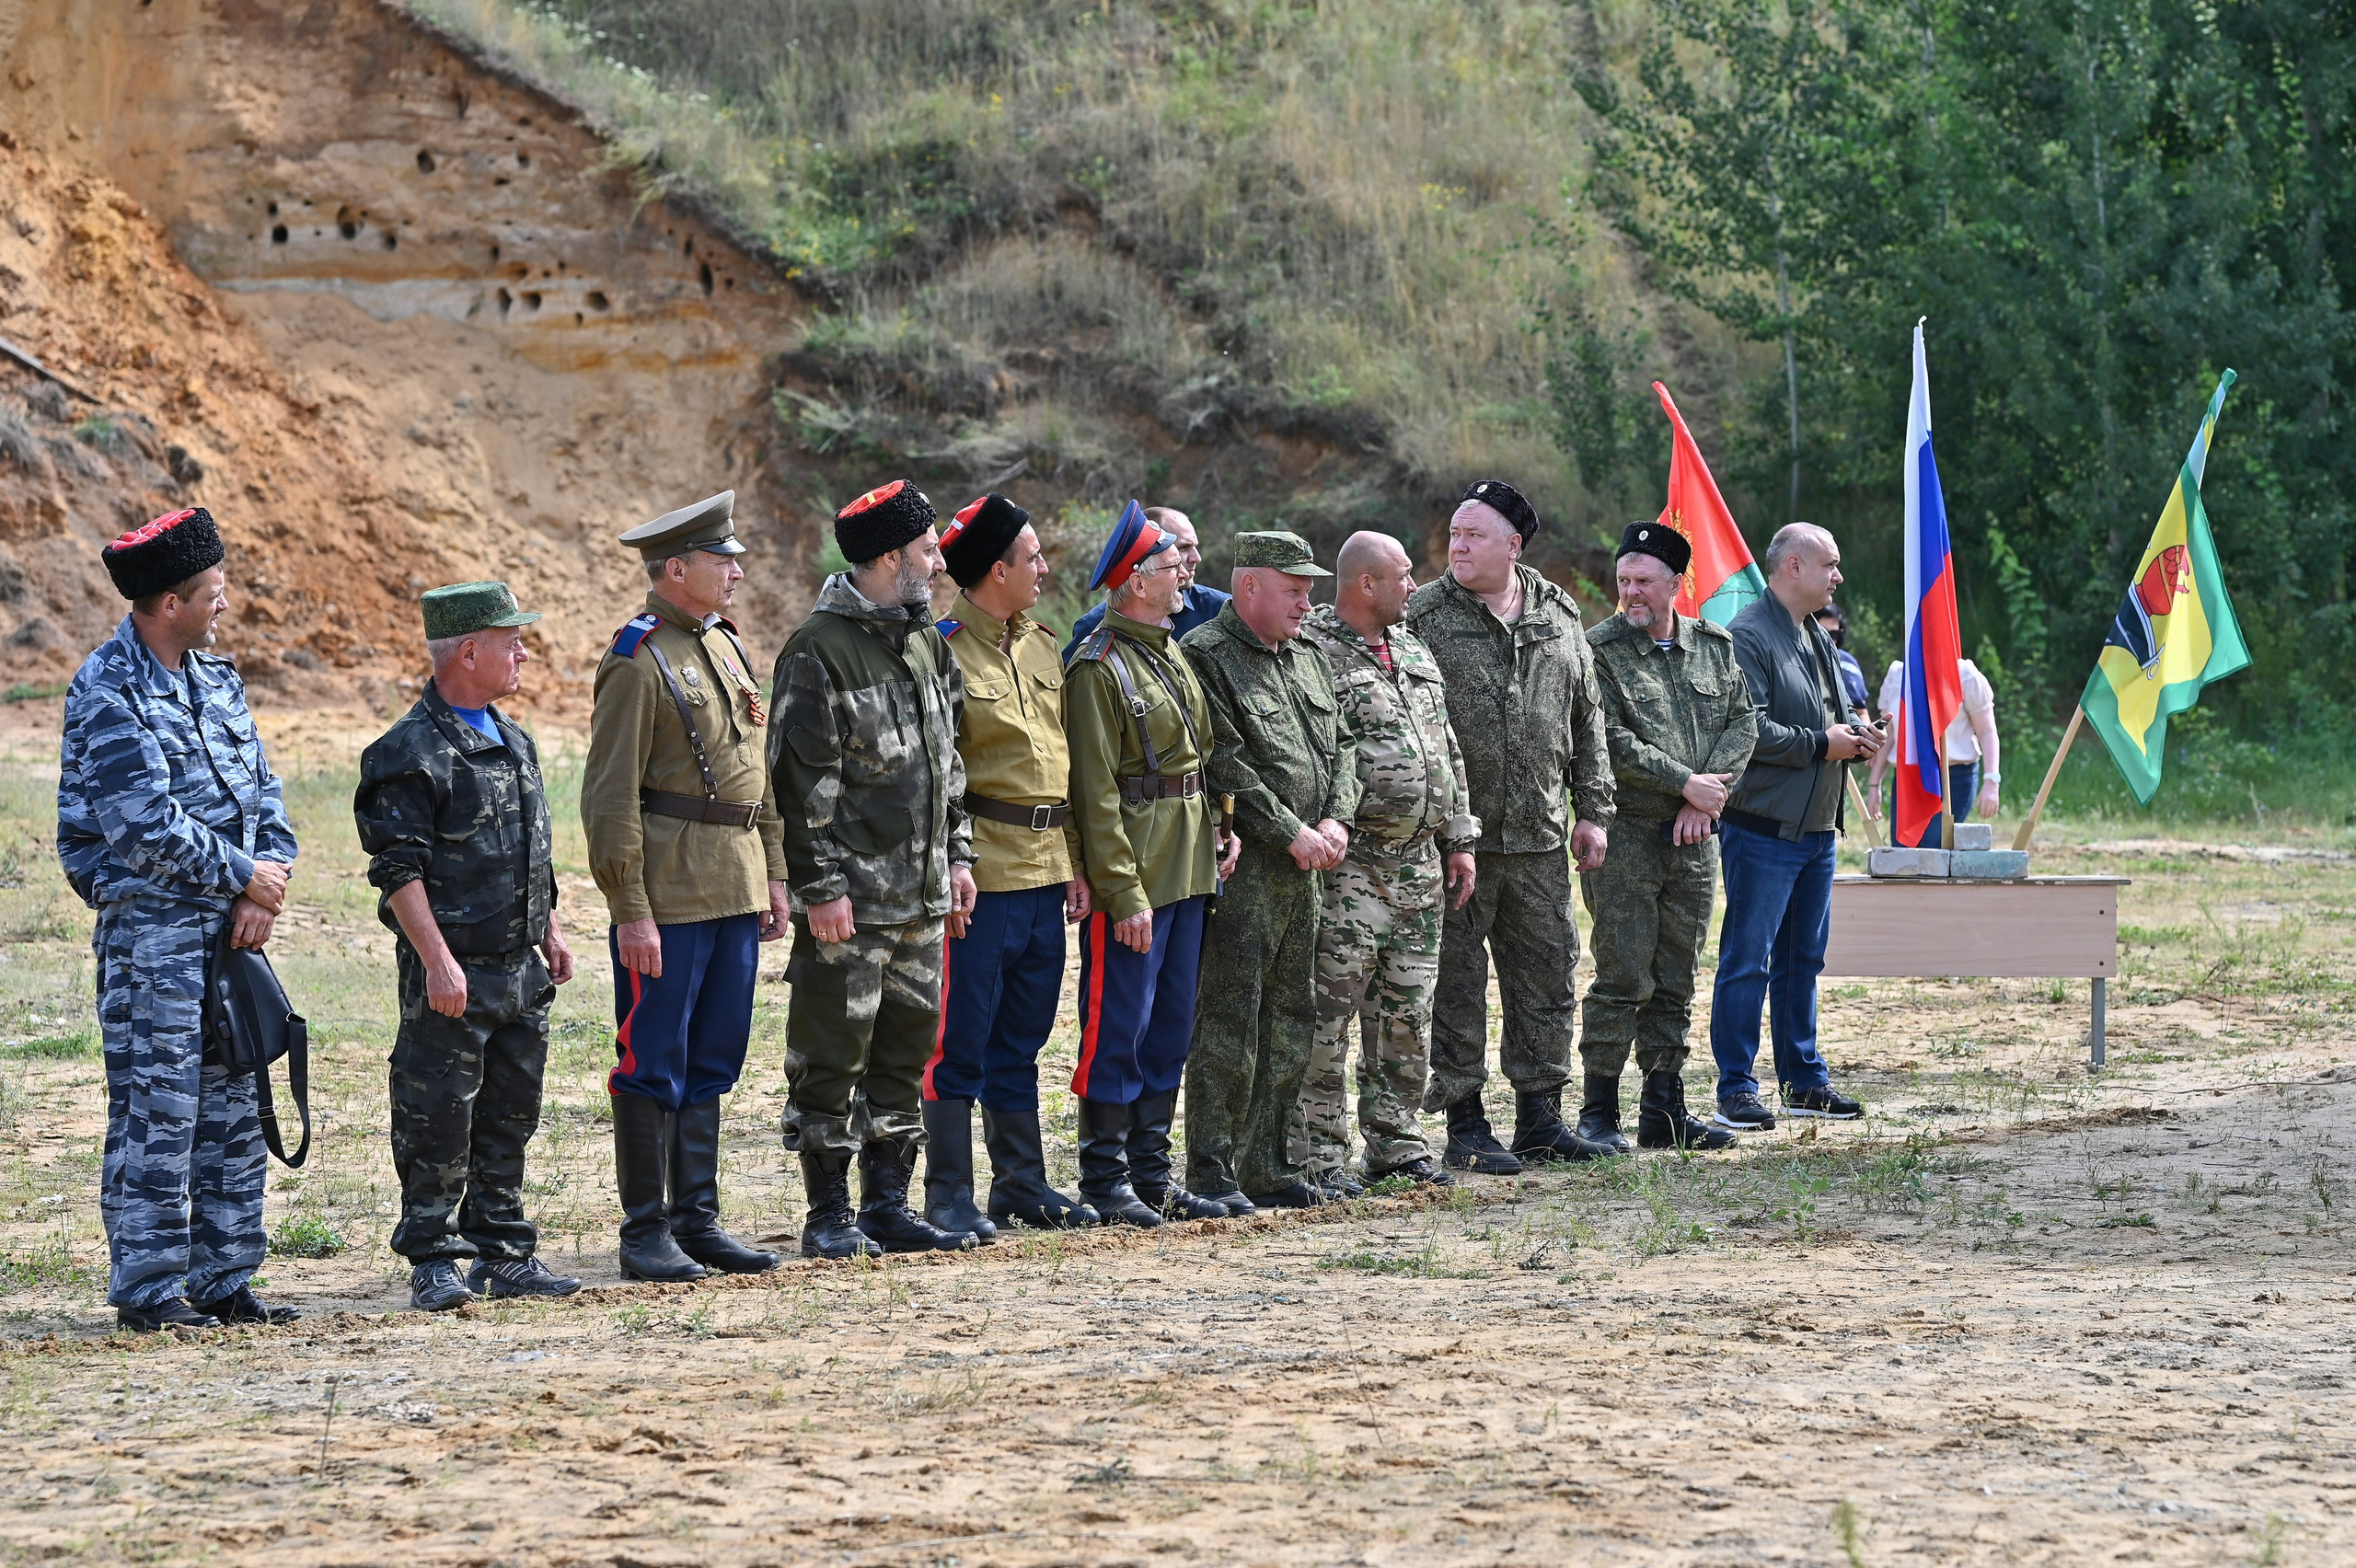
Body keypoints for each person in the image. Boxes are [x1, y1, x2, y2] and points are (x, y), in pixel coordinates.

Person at [58, 506, 301, 1331]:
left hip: (230, 928)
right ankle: (152, 1289)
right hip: (151, 937)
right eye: (212, 593)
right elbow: (141, 824)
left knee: (234, 1099)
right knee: (160, 1111)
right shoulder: (107, 690)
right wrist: (243, 876)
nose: (223, 605)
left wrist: (261, 882)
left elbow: (265, 796)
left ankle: (225, 1277)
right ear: (168, 603)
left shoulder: (217, 679)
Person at [355, 582, 582, 1311]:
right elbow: (398, 872)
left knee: (511, 1114)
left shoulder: (514, 741)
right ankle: (433, 1257)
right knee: (438, 1116)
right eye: (510, 640)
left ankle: (504, 1251)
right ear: (469, 651)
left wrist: (551, 928)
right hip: (453, 976)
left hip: (520, 970)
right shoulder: (408, 752)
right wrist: (438, 962)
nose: (522, 652)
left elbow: (532, 849)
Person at [771, 479, 979, 1258]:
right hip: (852, 907)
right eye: (928, 547)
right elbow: (799, 786)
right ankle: (828, 1214)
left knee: (902, 1056)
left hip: (923, 899)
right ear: (891, 557)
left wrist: (958, 859)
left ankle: (888, 1204)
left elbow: (949, 764)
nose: (939, 557)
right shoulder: (817, 650)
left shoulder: (927, 640)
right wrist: (820, 890)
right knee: (829, 1056)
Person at [584, 491, 788, 1281]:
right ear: (677, 569)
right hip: (668, 895)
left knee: (714, 1056)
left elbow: (754, 774)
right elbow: (609, 799)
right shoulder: (638, 660)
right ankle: (645, 1232)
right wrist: (630, 910)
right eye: (721, 559)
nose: (736, 570)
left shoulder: (725, 647)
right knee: (651, 1058)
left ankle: (697, 1219)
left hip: (731, 887)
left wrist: (771, 872)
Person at [1404, 480, 1617, 1173]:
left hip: (1539, 839)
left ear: (1513, 546)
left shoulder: (1558, 613)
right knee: (1457, 983)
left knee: (1547, 977)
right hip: (1454, 842)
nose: (1457, 546)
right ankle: (1465, 1122)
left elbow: (1588, 719)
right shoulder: (1422, 615)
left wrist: (1595, 811)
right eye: (1455, 536)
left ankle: (1540, 1118)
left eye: (1473, 536)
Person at [924, 493, 1095, 1239]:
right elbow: (940, 774)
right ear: (998, 570)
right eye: (1032, 558)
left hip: (1044, 870)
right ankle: (949, 1194)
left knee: (1022, 1037)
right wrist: (950, 868)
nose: (1044, 568)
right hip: (982, 875)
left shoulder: (1041, 645)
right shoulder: (942, 650)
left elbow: (1063, 767)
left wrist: (1076, 863)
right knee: (960, 1038)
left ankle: (1021, 1183)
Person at [1063, 502, 1234, 1224]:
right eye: (1171, 567)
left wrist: (1223, 827)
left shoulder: (1168, 651)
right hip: (1138, 874)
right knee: (1118, 1025)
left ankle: (1152, 1175)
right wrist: (1122, 892)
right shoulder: (1096, 667)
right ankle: (1105, 1180)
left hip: (1189, 865)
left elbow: (1202, 755)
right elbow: (1095, 795)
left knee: (1168, 1026)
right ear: (1135, 581)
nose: (1185, 575)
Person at [1292, 531, 1476, 1193]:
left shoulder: (1414, 650)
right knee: (1329, 1014)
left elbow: (1446, 748)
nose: (1414, 586)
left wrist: (1459, 838)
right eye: (1403, 576)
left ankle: (1398, 1144)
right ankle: (1316, 1153)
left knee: (1405, 1014)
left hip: (1420, 868)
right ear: (1366, 584)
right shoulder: (1309, 651)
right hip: (1350, 869)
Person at [1181, 531, 1359, 1209]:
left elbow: (1342, 742)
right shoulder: (1207, 656)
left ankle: (1270, 1163)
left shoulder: (1308, 654)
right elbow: (1222, 759)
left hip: (1308, 867)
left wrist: (1337, 818)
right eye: (1294, 588)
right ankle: (1211, 1169)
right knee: (1230, 1016)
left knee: (1291, 1015)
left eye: (1310, 588)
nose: (1307, 601)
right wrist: (1289, 832)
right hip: (1247, 867)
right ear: (1249, 586)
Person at [1579, 525, 1756, 1155]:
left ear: (1676, 586)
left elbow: (1742, 721)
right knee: (1622, 973)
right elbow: (1608, 740)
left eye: (1645, 582)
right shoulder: (1597, 650)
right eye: (1624, 581)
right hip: (1626, 832)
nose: (1631, 594)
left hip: (1693, 838)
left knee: (1676, 973)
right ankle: (1598, 1110)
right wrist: (1686, 783)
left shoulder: (1715, 646)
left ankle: (1665, 1107)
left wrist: (1704, 799)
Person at [1711, 523, 1886, 1131]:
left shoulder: (1815, 633)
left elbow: (1834, 716)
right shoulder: (1748, 637)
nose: (1838, 576)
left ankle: (1803, 1083)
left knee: (1802, 961)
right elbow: (1747, 730)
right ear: (1793, 567)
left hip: (1816, 831)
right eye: (1829, 565)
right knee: (1747, 960)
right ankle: (1735, 1089)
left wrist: (1858, 737)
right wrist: (1822, 744)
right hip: (1761, 828)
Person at [1868, 655, 2002, 846]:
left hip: (1954, 777)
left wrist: (1991, 781)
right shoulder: (1897, 675)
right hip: (1909, 777)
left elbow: (1987, 731)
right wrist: (1875, 785)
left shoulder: (1964, 675)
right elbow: (1889, 733)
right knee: (1903, 852)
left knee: (1935, 849)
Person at [1064, 505, 1229, 656]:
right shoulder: (1093, 626)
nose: (1196, 558)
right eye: (1182, 549)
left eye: (1195, 546)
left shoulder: (1220, 609)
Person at [1814, 603, 1873, 720]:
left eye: (1834, 634)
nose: (1829, 639)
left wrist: (1868, 734)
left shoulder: (1849, 663)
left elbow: (1861, 712)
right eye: (1824, 633)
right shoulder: (1798, 662)